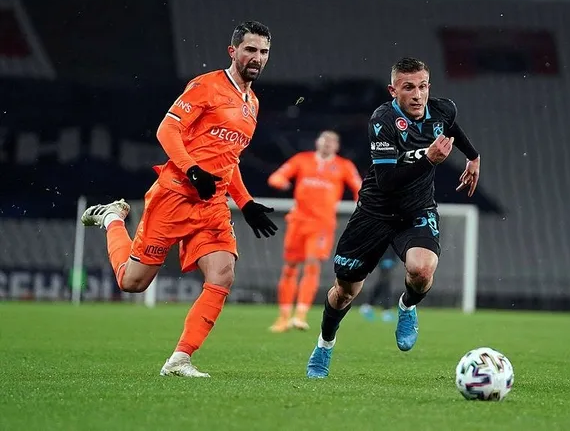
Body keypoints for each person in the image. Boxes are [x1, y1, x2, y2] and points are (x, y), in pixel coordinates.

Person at [80, 21, 278, 378]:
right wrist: (192, 171)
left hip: (212, 205)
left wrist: (246, 203)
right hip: (174, 196)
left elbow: (229, 159)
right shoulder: (206, 86)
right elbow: (167, 129)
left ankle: (180, 359)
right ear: (233, 51)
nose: (257, 58)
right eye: (250, 49)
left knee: (223, 274)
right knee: (133, 283)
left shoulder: (252, 103)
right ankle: (112, 218)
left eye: (263, 52)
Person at [306, 57, 481, 378]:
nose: (418, 95)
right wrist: (429, 160)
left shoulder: (442, 110)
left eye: (423, 86)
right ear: (393, 91)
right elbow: (387, 182)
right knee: (344, 292)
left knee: (422, 270)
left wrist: (473, 156)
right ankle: (324, 345)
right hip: (374, 212)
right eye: (409, 87)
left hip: (417, 210)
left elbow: (451, 126)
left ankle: (407, 306)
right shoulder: (383, 121)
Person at [267, 131, 362, 332]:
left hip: (322, 224)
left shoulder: (344, 165)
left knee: (312, 265)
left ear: (337, 146)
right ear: (317, 142)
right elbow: (276, 177)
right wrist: (281, 181)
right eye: (324, 140)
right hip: (298, 221)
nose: (327, 144)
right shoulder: (302, 159)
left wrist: (362, 207)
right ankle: (283, 316)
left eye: (332, 141)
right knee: (290, 267)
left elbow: (359, 188)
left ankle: (300, 315)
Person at [358, 246, 398, 322]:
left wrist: (394, 260)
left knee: (383, 283)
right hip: (382, 259)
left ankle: (368, 306)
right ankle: (386, 310)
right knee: (386, 284)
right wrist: (381, 259)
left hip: (389, 260)